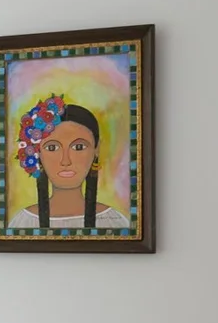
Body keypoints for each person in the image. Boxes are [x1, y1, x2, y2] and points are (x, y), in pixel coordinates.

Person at [7, 95, 131, 230]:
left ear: (96, 149)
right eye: (52, 148)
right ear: (36, 152)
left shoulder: (115, 223)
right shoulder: (22, 224)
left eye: (79, 147)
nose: (66, 161)